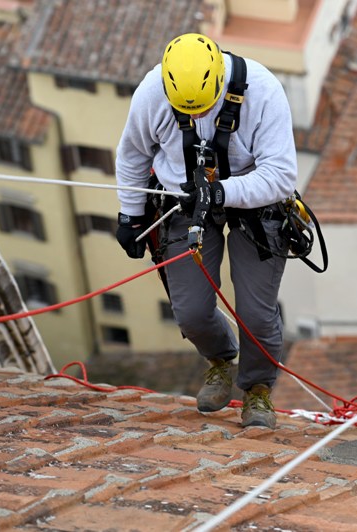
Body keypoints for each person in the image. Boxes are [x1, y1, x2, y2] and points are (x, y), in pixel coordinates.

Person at [114, 33, 297, 429]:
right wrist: (130, 216)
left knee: (256, 311)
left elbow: (280, 176)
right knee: (191, 311)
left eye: (205, 108)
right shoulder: (152, 93)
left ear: (219, 79)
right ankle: (219, 361)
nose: (196, 119)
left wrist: (221, 192)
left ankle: (258, 390)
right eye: (187, 111)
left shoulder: (263, 91)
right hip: (183, 198)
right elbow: (132, 155)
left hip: (256, 200)